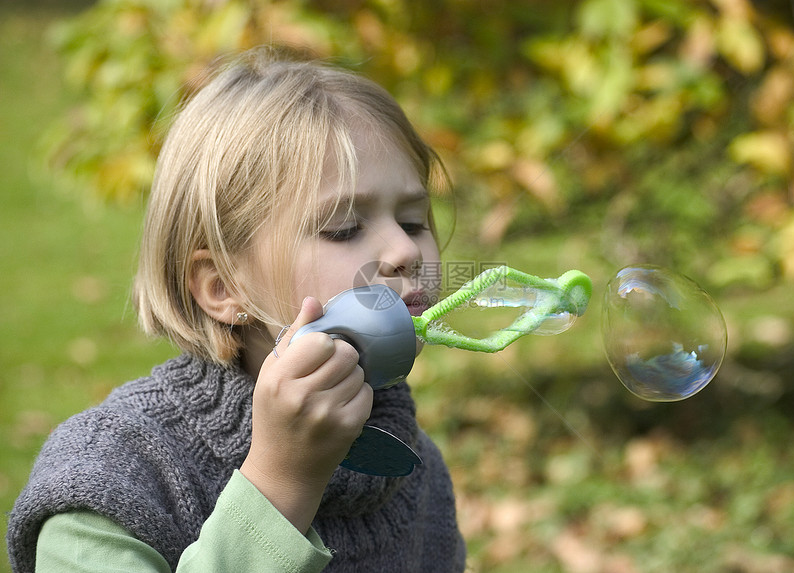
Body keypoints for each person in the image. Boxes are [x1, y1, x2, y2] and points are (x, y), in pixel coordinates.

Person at [7, 46, 466, 572]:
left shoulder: (411, 466)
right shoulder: (109, 481)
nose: (406, 252)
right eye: (343, 228)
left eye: (412, 222)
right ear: (223, 286)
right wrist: (280, 481)